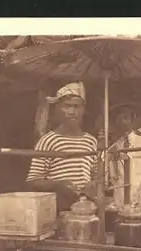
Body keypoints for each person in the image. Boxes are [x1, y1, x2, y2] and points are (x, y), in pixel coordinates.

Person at [26, 82, 97, 213]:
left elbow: (97, 176)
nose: (72, 112)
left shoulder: (91, 141)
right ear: (58, 109)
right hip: (58, 208)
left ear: (83, 110)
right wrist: (59, 185)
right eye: (67, 106)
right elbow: (33, 181)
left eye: (77, 107)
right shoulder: (48, 140)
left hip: (85, 208)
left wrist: (93, 184)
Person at [109, 103, 141, 207]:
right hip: (121, 198)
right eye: (119, 119)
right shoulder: (113, 148)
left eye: (126, 118)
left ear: (132, 120)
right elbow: (113, 177)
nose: (123, 122)